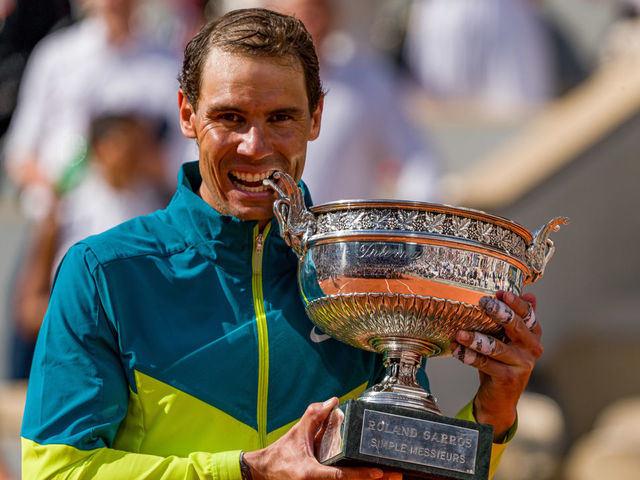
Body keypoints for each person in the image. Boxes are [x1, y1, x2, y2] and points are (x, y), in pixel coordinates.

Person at [21, 8, 543, 479]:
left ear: (316, 117)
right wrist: (249, 472)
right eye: (230, 118)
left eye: (281, 118)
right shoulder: (104, 272)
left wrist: (492, 418)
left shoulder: (366, 279)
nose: (255, 146)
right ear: (187, 114)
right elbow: (57, 471)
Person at [10, 110, 168, 378]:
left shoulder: (160, 210)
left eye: (138, 145)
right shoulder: (64, 211)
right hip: (76, 351)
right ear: (99, 149)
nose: (131, 154)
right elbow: (29, 309)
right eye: (121, 144)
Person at [259, 0, 440, 203]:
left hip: (342, 231)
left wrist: (415, 223)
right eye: (295, 12)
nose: (309, 21)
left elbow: (416, 161)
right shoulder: (248, 82)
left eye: (315, 9)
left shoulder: (368, 80)